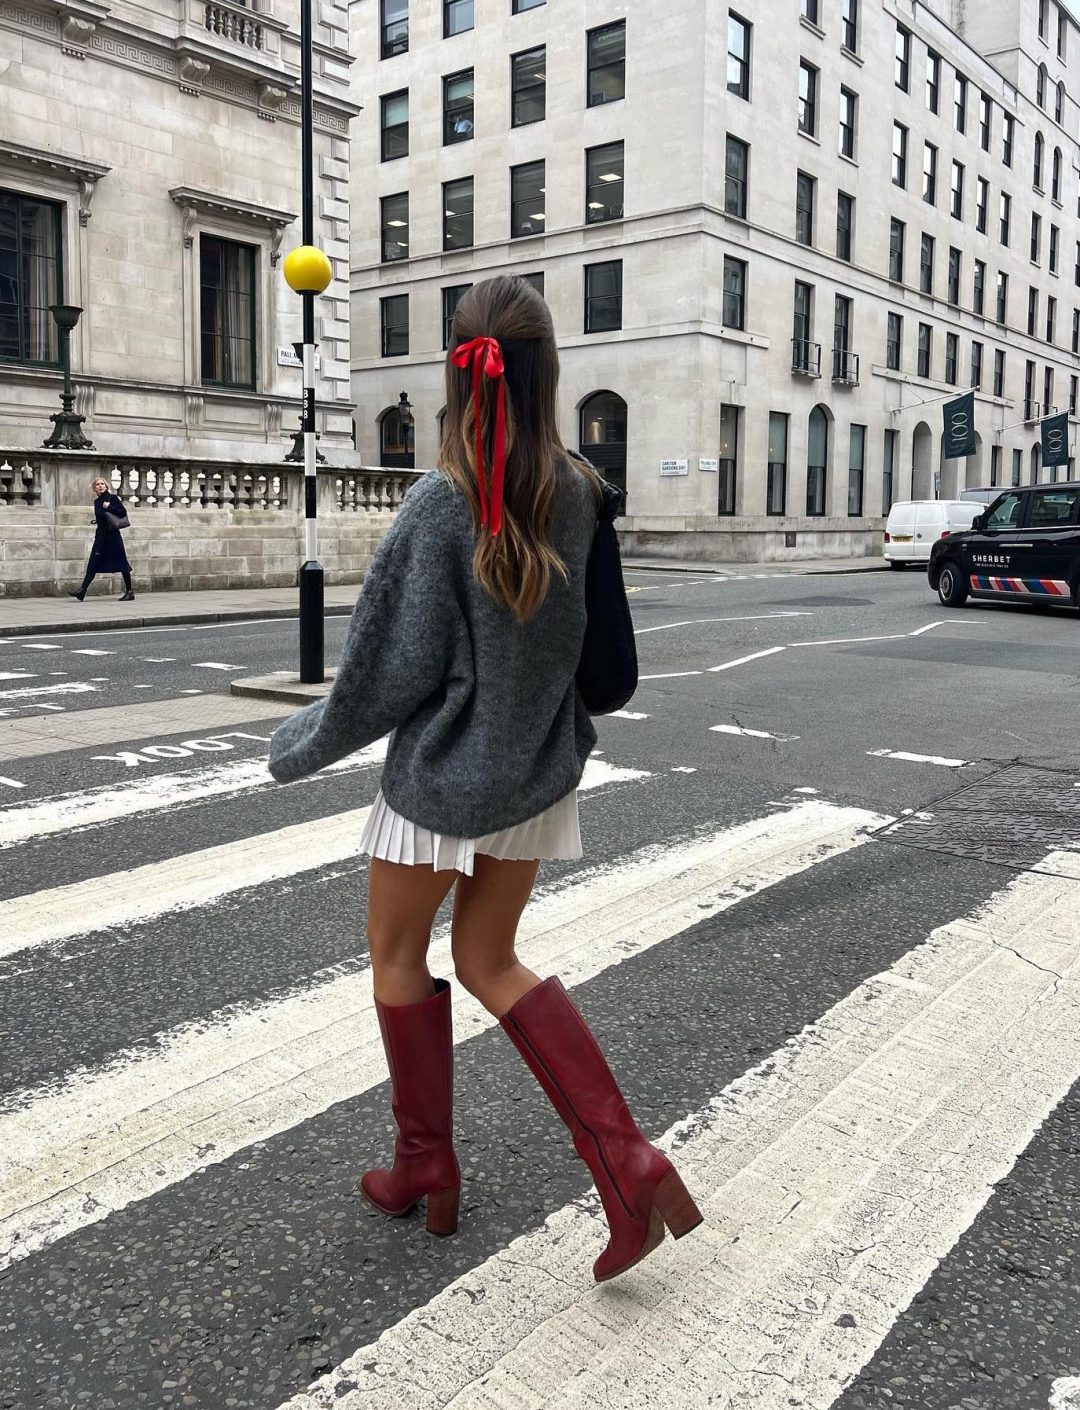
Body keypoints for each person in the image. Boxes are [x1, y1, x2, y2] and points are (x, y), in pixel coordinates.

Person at [268, 275, 701, 1283]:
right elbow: (613, 678)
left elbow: (391, 671)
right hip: (538, 778)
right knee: (492, 959)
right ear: (549, 371)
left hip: (439, 787)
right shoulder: (587, 494)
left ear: (456, 374)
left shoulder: (437, 503)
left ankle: (426, 1159)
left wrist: (303, 742)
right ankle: (625, 1158)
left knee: (393, 955)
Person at [70, 477, 134, 601]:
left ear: (106, 486)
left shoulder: (113, 498)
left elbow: (122, 512)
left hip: (113, 536)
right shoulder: (96, 502)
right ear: (95, 488)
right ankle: (82, 591)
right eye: (97, 484)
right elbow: (101, 518)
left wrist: (109, 507)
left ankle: (130, 592)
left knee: (122, 563)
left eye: (102, 484)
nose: (100, 486)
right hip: (101, 536)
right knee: (93, 561)